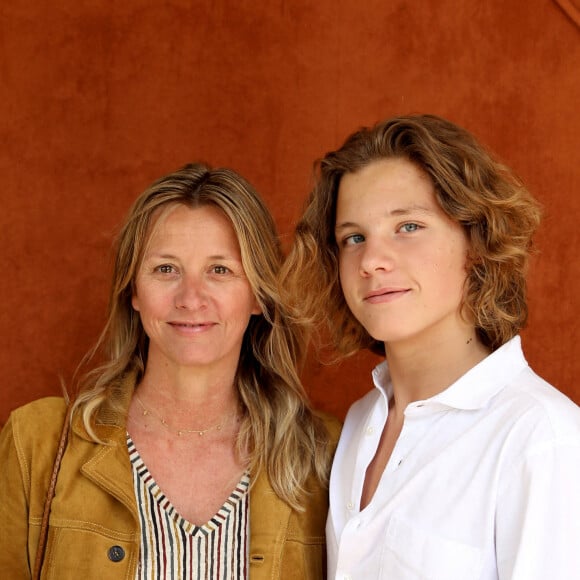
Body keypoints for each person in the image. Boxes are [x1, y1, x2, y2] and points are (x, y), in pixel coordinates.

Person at [0, 162, 340, 579]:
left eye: (220, 270)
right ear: (134, 291)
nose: (191, 298)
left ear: (257, 295)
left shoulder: (325, 455)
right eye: (166, 269)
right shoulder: (35, 444)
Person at [281, 114, 580, 579]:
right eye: (353, 238)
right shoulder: (359, 424)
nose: (372, 262)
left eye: (408, 227)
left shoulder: (541, 439)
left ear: (475, 241)